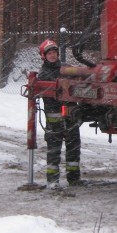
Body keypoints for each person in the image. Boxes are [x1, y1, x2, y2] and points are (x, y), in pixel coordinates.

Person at [37, 40, 82, 189]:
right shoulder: (43, 74)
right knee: (54, 152)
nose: (53, 55)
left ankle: (74, 179)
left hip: (70, 119)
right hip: (54, 122)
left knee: (74, 150)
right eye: (49, 53)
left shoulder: (66, 69)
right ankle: (52, 181)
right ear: (44, 56)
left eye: (54, 52)